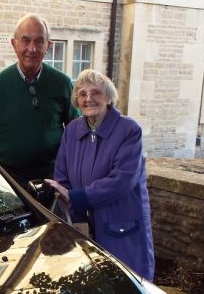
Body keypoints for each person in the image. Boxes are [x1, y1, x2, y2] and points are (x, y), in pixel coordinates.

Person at [45, 69, 155, 281]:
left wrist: (76, 196)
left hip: (121, 225)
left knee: (127, 283)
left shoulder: (128, 130)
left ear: (108, 97)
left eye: (96, 92)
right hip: (83, 226)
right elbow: (62, 175)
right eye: (82, 94)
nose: (89, 99)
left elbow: (122, 180)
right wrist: (68, 199)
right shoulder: (72, 130)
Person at [0, 13, 78, 189]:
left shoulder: (62, 83)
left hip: (55, 180)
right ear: (14, 44)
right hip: (11, 182)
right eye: (25, 40)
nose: (32, 49)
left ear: (48, 45)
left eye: (39, 41)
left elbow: (77, 133)